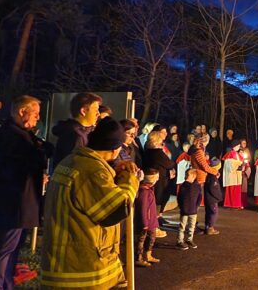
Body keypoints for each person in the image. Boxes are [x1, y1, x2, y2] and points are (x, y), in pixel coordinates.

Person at [41, 117, 140, 290]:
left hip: (62, 263)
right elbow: (117, 209)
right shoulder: (92, 171)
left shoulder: (72, 161)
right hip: (82, 271)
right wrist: (129, 179)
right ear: (115, 149)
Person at [0, 95, 46, 290]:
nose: (38, 118)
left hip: (21, 202)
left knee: (13, 249)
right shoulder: (12, 136)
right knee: (5, 249)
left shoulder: (20, 134)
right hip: (15, 203)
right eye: (35, 114)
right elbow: (17, 167)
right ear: (22, 112)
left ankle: (6, 284)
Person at [50, 92, 101, 169]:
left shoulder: (83, 132)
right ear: (83, 111)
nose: (98, 114)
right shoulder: (75, 136)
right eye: (96, 110)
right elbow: (74, 167)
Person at [143, 128, 175, 225]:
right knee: (157, 201)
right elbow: (169, 163)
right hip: (159, 180)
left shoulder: (147, 150)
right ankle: (155, 223)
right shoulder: (157, 152)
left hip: (153, 178)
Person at [135, 169, 160, 268]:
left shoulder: (148, 190)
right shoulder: (144, 192)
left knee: (151, 238)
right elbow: (143, 208)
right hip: (146, 222)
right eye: (156, 178)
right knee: (141, 239)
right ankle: (138, 258)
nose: (158, 180)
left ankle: (148, 255)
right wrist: (144, 223)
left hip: (151, 220)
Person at [177, 169, 201, 250]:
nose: (185, 177)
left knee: (192, 226)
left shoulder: (197, 186)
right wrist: (181, 206)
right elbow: (179, 197)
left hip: (193, 210)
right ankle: (180, 241)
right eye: (185, 175)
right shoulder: (184, 185)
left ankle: (189, 240)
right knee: (182, 226)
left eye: (187, 175)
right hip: (184, 210)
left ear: (194, 176)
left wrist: (196, 206)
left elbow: (199, 197)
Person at [221, 144, 245, 208]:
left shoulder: (236, 154)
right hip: (232, 175)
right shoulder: (231, 153)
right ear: (234, 146)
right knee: (232, 190)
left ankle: (236, 204)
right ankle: (232, 204)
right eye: (238, 146)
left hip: (236, 175)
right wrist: (240, 167)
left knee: (235, 190)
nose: (239, 147)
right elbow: (231, 165)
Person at [204, 159, 223, 235]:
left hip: (208, 198)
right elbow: (213, 189)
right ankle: (210, 228)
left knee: (208, 212)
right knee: (213, 213)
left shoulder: (210, 175)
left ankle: (207, 226)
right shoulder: (212, 177)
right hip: (212, 199)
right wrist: (219, 197)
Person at [237, 142, 252, 208]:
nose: (241, 153)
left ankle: (243, 203)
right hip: (238, 177)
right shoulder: (236, 159)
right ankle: (237, 203)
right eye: (240, 152)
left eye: (242, 152)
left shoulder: (245, 161)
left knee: (243, 190)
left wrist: (246, 172)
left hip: (244, 176)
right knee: (238, 190)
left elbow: (248, 168)